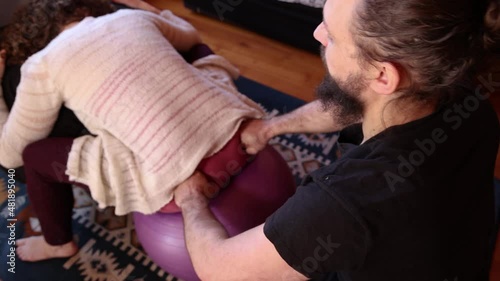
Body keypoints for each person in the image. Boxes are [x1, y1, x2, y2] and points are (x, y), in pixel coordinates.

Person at [172, 0, 500, 280]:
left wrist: (191, 201)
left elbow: (220, 270)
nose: (318, 33)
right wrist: (270, 128)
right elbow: (355, 105)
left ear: (383, 75)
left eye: (332, 34)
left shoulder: (345, 205)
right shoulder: (469, 102)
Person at [0, 0, 264, 262]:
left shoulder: (39, 64)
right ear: (87, 10)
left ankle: (58, 244)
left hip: (176, 185)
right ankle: (224, 108)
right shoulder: (132, 18)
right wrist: (144, 9)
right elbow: (191, 35)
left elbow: (9, 155)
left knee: (34, 155)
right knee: (199, 50)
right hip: (239, 135)